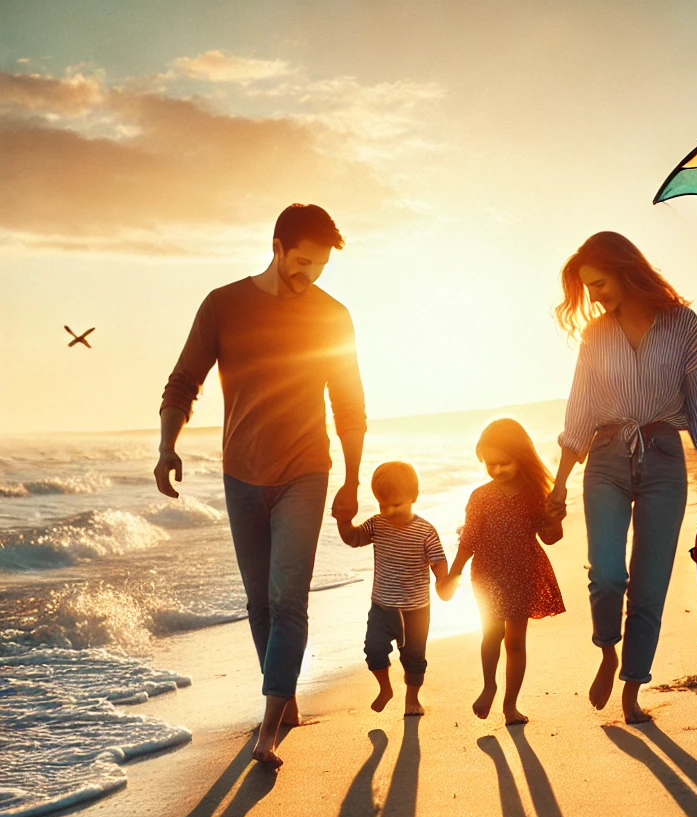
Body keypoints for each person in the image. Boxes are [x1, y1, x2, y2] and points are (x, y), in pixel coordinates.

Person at [155, 204, 366, 770]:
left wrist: (351, 478)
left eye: (320, 265)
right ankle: (286, 697)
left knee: (287, 597)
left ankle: (269, 728)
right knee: (258, 602)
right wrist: (166, 445)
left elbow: (349, 405)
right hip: (240, 474)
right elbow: (184, 381)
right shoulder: (224, 304)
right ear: (276, 246)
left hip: (306, 470)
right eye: (302, 261)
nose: (310, 274)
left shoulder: (332, 316)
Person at [546, 231, 697, 724]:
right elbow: (580, 411)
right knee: (607, 574)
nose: (593, 295)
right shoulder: (595, 335)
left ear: (625, 269)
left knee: (650, 586)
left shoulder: (683, 325)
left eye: (598, 282)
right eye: (587, 288)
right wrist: (560, 481)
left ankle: (633, 688)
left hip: (663, 461)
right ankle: (607, 648)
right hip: (606, 459)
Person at [439, 419, 565, 725]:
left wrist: (555, 518)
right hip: (487, 574)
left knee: (515, 641)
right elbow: (468, 541)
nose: (496, 470)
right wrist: (452, 576)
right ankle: (489, 685)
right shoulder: (480, 496)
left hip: (523, 572)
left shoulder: (536, 494)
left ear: (520, 456)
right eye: (489, 464)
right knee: (491, 635)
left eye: (503, 463)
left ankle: (510, 706)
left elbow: (550, 537)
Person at [335, 461, 449, 716]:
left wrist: (445, 580)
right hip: (382, 607)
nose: (388, 511)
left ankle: (412, 699)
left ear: (414, 496)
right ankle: (385, 688)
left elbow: (438, 562)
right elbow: (354, 538)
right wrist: (343, 521)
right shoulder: (377, 524)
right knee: (374, 651)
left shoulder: (425, 531)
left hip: (416, 610)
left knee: (414, 659)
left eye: (395, 505)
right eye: (382, 505)